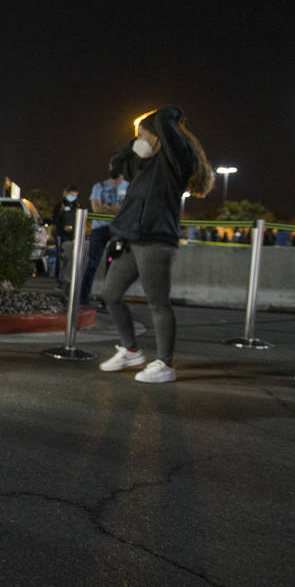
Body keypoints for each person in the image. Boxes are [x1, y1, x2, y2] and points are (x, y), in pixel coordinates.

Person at [98, 106, 214, 383]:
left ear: (159, 135)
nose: (141, 139)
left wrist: (166, 118)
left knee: (158, 304)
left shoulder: (176, 160)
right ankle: (131, 350)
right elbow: (116, 163)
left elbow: (165, 117)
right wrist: (133, 145)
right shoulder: (145, 164)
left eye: (144, 135)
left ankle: (165, 364)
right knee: (111, 295)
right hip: (130, 239)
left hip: (156, 240)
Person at [79, 161, 130, 309]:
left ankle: (108, 302)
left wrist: (107, 208)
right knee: (92, 264)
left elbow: (128, 209)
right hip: (99, 230)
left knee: (112, 266)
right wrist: (116, 209)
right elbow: (96, 209)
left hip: (118, 231)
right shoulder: (98, 186)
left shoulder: (129, 188)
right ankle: (83, 298)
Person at [50, 185, 86, 289]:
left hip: (72, 235)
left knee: (71, 257)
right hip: (61, 234)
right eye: (71, 195)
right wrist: (63, 227)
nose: (73, 197)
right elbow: (55, 220)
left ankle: (67, 278)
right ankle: (59, 279)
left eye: (75, 195)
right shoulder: (60, 205)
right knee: (61, 256)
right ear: (65, 193)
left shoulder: (77, 205)